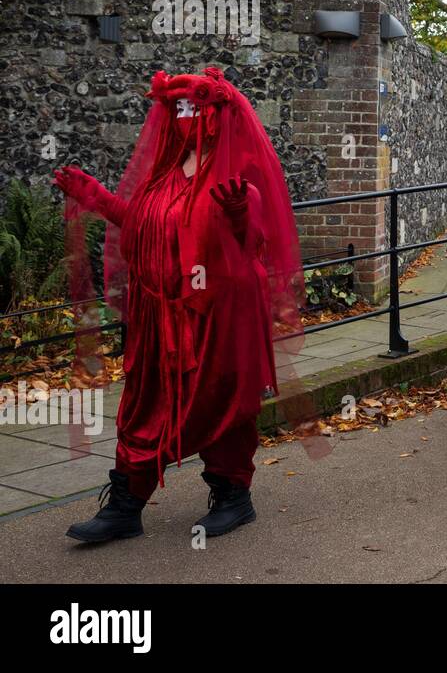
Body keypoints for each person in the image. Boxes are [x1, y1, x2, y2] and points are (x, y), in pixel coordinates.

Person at [54, 68, 305, 542]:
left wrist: (237, 217)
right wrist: (97, 198)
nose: (182, 116)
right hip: (158, 317)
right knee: (143, 405)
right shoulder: (165, 175)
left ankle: (233, 496)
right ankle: (126, 505)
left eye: (192, 108)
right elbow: (142, 223)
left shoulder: (238, 180)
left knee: (220, 402)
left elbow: (256, 246)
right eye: (177, 108)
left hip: (220, 316)